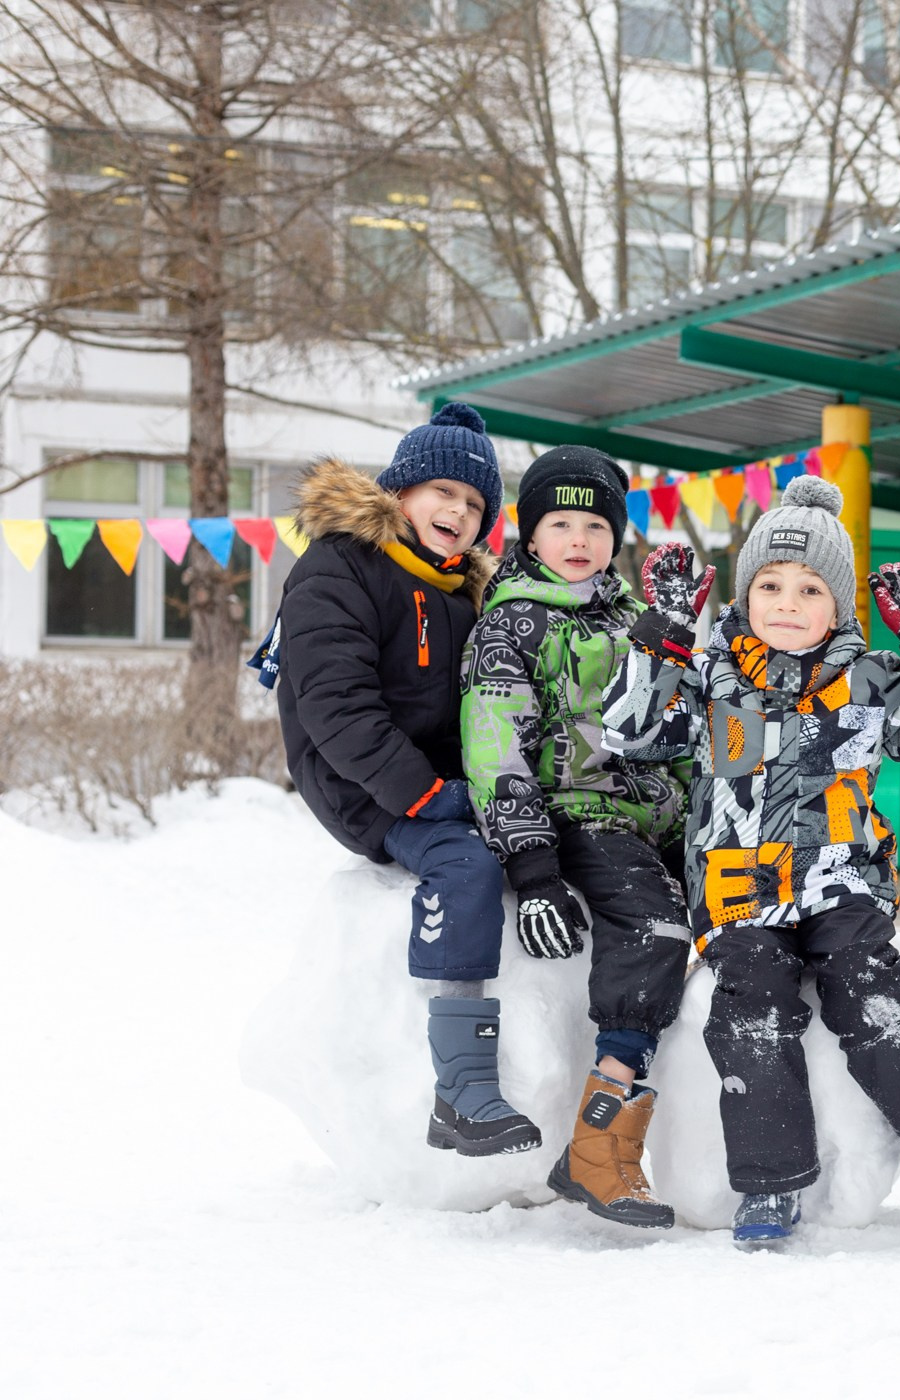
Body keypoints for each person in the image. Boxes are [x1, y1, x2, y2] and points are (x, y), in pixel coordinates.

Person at [602, 474, 900, 1246]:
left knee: (873, 982)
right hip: (738, 891)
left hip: (842, 881)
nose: (786, 601)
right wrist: (664, 634)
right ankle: (771, 1181)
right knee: (750, 1004)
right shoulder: (711, 675)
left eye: (810, 588)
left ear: (839, 606)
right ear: (743, 596)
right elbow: (629, 733)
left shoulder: (872, 679)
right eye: (769, 584)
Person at [268, 404, 528, 1155]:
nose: (458, 510)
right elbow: (335, 704)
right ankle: (462, 1092)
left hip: (436, 775)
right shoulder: (339, 566)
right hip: (358, 781)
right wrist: (427, 796)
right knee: (467, 862)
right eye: (443, 491)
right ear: (400, 493)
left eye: (476, 503)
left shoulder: (460, 591)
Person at [460, 445, 695, 1228]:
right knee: (656, 925)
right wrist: (532, 866)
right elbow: (495, 746)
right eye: (559, 522)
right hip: (579, 813)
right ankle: (598, 1145)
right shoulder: (511, 625)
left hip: (658, 812)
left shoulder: (635, 619)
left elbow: (681, 729)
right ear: (530, 536)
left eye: (595, 524)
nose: (578, 538)